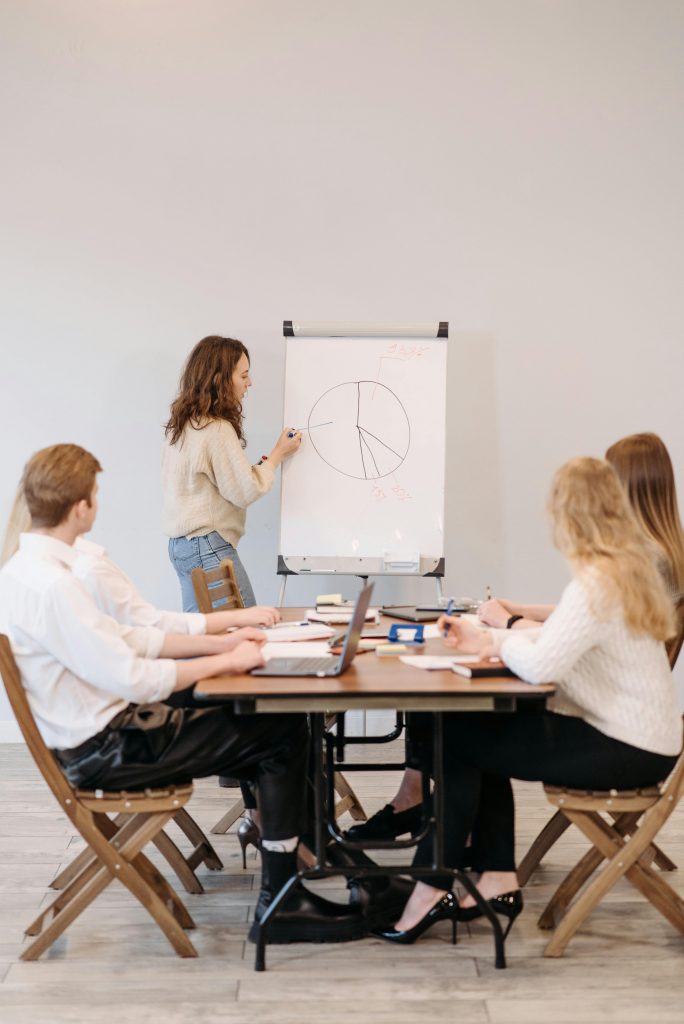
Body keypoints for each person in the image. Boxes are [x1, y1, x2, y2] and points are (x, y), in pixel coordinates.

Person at [0, 444, 364, 944]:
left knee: (254, 716)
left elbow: (130, 639)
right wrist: (229, 660)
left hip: (100, 738)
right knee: (279, 731)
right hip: (108, 749)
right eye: (96, 495)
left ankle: (294, 857)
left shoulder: (24, 572)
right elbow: (136, 676)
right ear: (81, 506)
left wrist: (222, 644)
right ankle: (284, 899)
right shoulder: (55, 585)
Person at [374, 457, 681, 945]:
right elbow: (555, 643)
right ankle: (493, 880)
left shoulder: (597, 583)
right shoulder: (622, 570)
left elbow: (541, 666)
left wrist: (489, 640)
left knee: (458, 738)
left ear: (569, 515)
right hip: (644, 742)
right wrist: (485, 642)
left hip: (627, 749)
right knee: (476, 729)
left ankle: (430, 888)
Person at [478, 431, 684, 630]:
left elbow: (571, 639)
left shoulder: (641, 559)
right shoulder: (666, 551)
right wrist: (524, 611)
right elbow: (594, 615)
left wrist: (507, 620)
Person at [162, 335, 302, 611]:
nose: (249, 383)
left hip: (182, 548)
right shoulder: (216, 429)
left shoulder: (182, 425)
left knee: (204, 634)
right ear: (221, 379)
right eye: (244, 375)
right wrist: (277, 454)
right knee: (245, 629)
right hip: (208, 546)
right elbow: (244, 490)